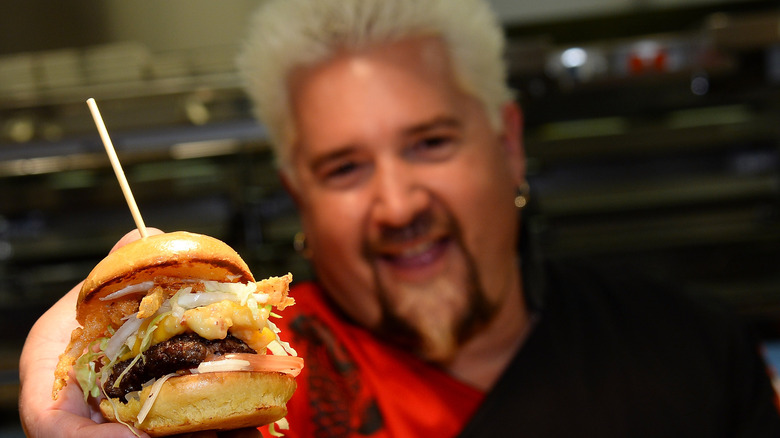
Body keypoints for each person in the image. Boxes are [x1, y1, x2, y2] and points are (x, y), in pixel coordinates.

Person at [18, 0, 780, 437]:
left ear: (508, 145)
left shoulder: (691, 355)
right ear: (299, 197)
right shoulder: (257, 389)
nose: (398, 205)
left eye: (431, 143)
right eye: (344, 167)